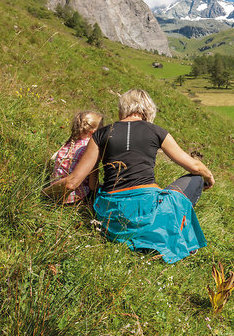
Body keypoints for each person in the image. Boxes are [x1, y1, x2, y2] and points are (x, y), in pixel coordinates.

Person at [43, 89, 215, 263]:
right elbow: (195, 166)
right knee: (196, 179)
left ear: (123, 109)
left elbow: (72, 182)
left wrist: (43, 194)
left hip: (109, 218)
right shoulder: (157, 131)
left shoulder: (101, 134)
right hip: (147, 211)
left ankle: (139, 236)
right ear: (148, 110)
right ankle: (167, 231)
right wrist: (208, 177)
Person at [48, 110, 104, 204]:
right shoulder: (90, 149)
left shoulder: (68, 144)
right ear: (94, 132)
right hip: (74, 198)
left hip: (54, 193)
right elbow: (93, 185)